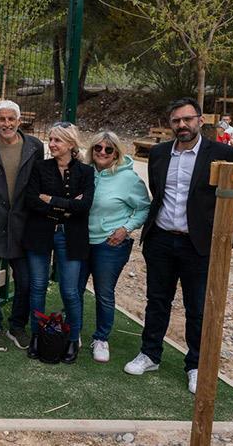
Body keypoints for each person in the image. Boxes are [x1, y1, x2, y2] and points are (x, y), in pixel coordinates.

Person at [124, 98, 233, 394]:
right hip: (162, 240)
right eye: (176, 120)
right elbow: (159, 193)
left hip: (200, 245)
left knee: (198, 308)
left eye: (187, 119)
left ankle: (195, 365)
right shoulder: (159, 154)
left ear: (200, 120)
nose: (182, 125)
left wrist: (210, 228)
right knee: (157, 301)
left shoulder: (224, 153)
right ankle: (150, 354)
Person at [0, 100, 43, 352]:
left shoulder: (34, 146)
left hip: (23, 225)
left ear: (19, 120)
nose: (6, 124)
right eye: (1, 119)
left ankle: (17, 326)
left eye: (11, 119)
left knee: (24, 282)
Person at [24, 122, 95, 364]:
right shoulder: (40, 168)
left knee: (70, 290)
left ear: (71, 144)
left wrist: (51, 200)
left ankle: (73, 338)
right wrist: (67, 205)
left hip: (71, 236)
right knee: (37, 285)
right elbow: (32, 200)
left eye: (58, 140)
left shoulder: (85, 172)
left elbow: (84, 206)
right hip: (40, 233)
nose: (52, 144)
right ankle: (36, 335)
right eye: (51, 139)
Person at [81, 131, 150, 363]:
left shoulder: (128, 179)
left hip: (109, 244)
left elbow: (143, 207)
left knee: (104, 293)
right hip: (81, 240)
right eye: (98, 148)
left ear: (116, 153)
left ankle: (101, 338)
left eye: (108, 149)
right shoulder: (85, 172)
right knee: (73, 288)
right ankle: (72, 330)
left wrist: (126, 228)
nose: (102, 152)